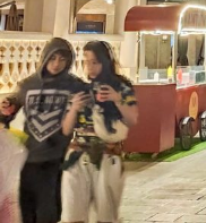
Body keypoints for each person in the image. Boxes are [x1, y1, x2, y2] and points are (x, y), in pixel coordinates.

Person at [0, 38, 84, 223]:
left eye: (62, 59)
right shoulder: (28, 85)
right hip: (28, 156)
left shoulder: (75, 86)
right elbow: (11, 110)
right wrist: (7, 108)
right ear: (45, 57)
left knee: (48, 211)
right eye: (52, 58)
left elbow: (87, 115)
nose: (56, 64)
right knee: (27, 209)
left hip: (54, 158)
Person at [60, 41, 139, 223]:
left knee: (106, 215)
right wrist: (74, 108)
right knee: (72, 214)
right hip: (77, 156)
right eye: (87, 61)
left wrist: (116, 99)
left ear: (105, 61)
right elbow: (66, 129)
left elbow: (132, 119)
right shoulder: (81, 89)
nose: (90, 67)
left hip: (107, 156)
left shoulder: (121, 87)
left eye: (95, 62)